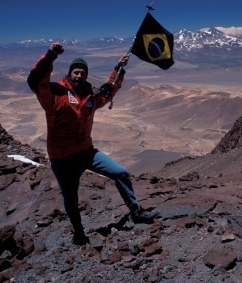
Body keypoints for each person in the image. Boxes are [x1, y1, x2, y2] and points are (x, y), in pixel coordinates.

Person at [27, 43, 160, 245]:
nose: (79, 76)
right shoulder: (55, 95)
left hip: (86, 153)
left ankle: (136, 212)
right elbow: (36, 80)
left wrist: (119, 68)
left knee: (121, 173)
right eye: (75, 72)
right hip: (62, 159)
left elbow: (109, 91)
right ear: (70, 73)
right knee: (70, 197)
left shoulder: (89, 96)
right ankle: (79, 233)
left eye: (82, 73)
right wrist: (51, 55)